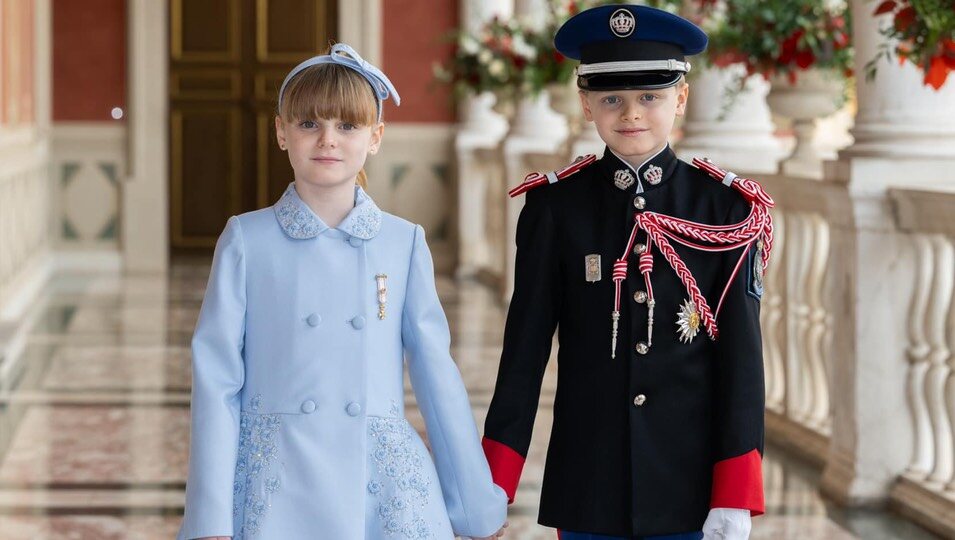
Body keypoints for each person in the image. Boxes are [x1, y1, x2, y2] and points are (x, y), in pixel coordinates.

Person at [178, 43, 508, 540]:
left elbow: (437, 378)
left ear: (375, 137)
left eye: (347, 126)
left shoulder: (403, 241)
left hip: (381, 486)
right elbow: (217, 378)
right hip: (276, 485)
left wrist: (475, 508)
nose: (327, 140)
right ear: (280, 132)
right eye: (309, 124)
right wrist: (209, 518)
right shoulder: (247, 239)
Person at [482, 5, 774, 540]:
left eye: (650, 97)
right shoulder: (554, 209)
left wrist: (735, 490)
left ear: (680, 99)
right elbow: (523, 355)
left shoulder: (725, 210)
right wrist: (495, 483)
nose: (631, 113)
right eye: (612, 97)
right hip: (589, 484)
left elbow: (741, 361)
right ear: (585, 103)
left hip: (691, 488)